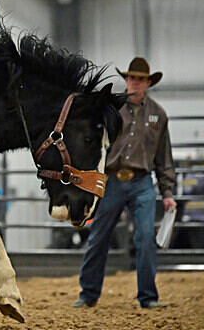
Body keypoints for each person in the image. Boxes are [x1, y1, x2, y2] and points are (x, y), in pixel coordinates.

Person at [73, 57, 177, 310]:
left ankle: (148, 296)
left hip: (142, 182)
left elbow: (164, 158)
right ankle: (88, 294)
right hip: (112, 180)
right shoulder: (111, 109)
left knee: (144, 237)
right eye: (131, 78)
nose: (135, 83)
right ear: (126, 80)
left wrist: (168, 192)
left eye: (140, 79)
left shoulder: (158, 115)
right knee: (99, 236)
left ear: (148, 83)